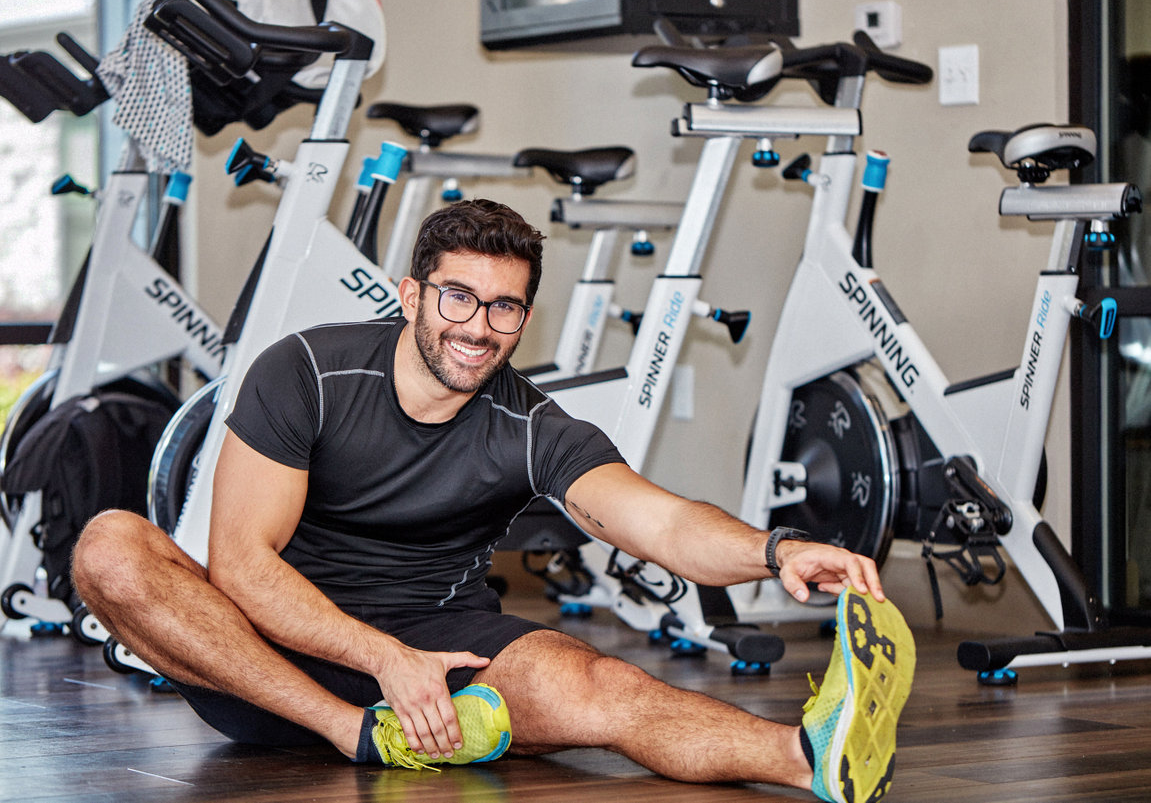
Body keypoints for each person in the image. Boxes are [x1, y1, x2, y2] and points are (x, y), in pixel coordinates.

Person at [72, 199, 914, 801]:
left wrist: (779, 548)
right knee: (109, 545)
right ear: (412, 296)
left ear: (524, 318)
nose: (478, 326)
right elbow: (244, 565)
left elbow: (658, 521)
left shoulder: (531, 426)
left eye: (504, 306)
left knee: (601, 685)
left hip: (446, 656)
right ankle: (352, 731)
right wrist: (378, 669)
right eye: (458, 297)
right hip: (268, 655)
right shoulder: (308, 374)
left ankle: (809, 755)